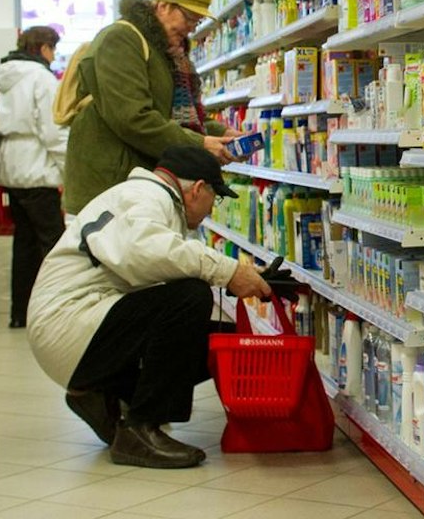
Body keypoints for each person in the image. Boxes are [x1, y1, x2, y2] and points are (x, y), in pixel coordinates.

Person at [26, 144, 273, 468]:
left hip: (75, 327)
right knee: (190, 297)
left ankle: (103, 396)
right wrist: (226, 271)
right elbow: (145, 251)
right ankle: (140, 428)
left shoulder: (143, 197)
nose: (213, 210)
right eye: (217, 197)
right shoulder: (147, 197)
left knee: (216, 338)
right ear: (198, 189)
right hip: (70, 326)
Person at [59, 0, 233, 215]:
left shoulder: (168, 51)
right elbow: (132, 117)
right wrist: (201, 143)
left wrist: (221, 133)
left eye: (198, 21)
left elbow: (173, 111)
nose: (192, 28)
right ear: (163, 6)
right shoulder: (121, 38)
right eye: (189, 17)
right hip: (108, 186)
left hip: (136, 184)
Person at [0, 25, 68, 329]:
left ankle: (19, 312)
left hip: (10, 168)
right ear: (44, 48)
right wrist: (67, 166)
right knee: (54, 244)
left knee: (23, 245)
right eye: (53, 49)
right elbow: (53, 130)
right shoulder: (41, 78)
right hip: (38, 168)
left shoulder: (1, 76)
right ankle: (57, 310)